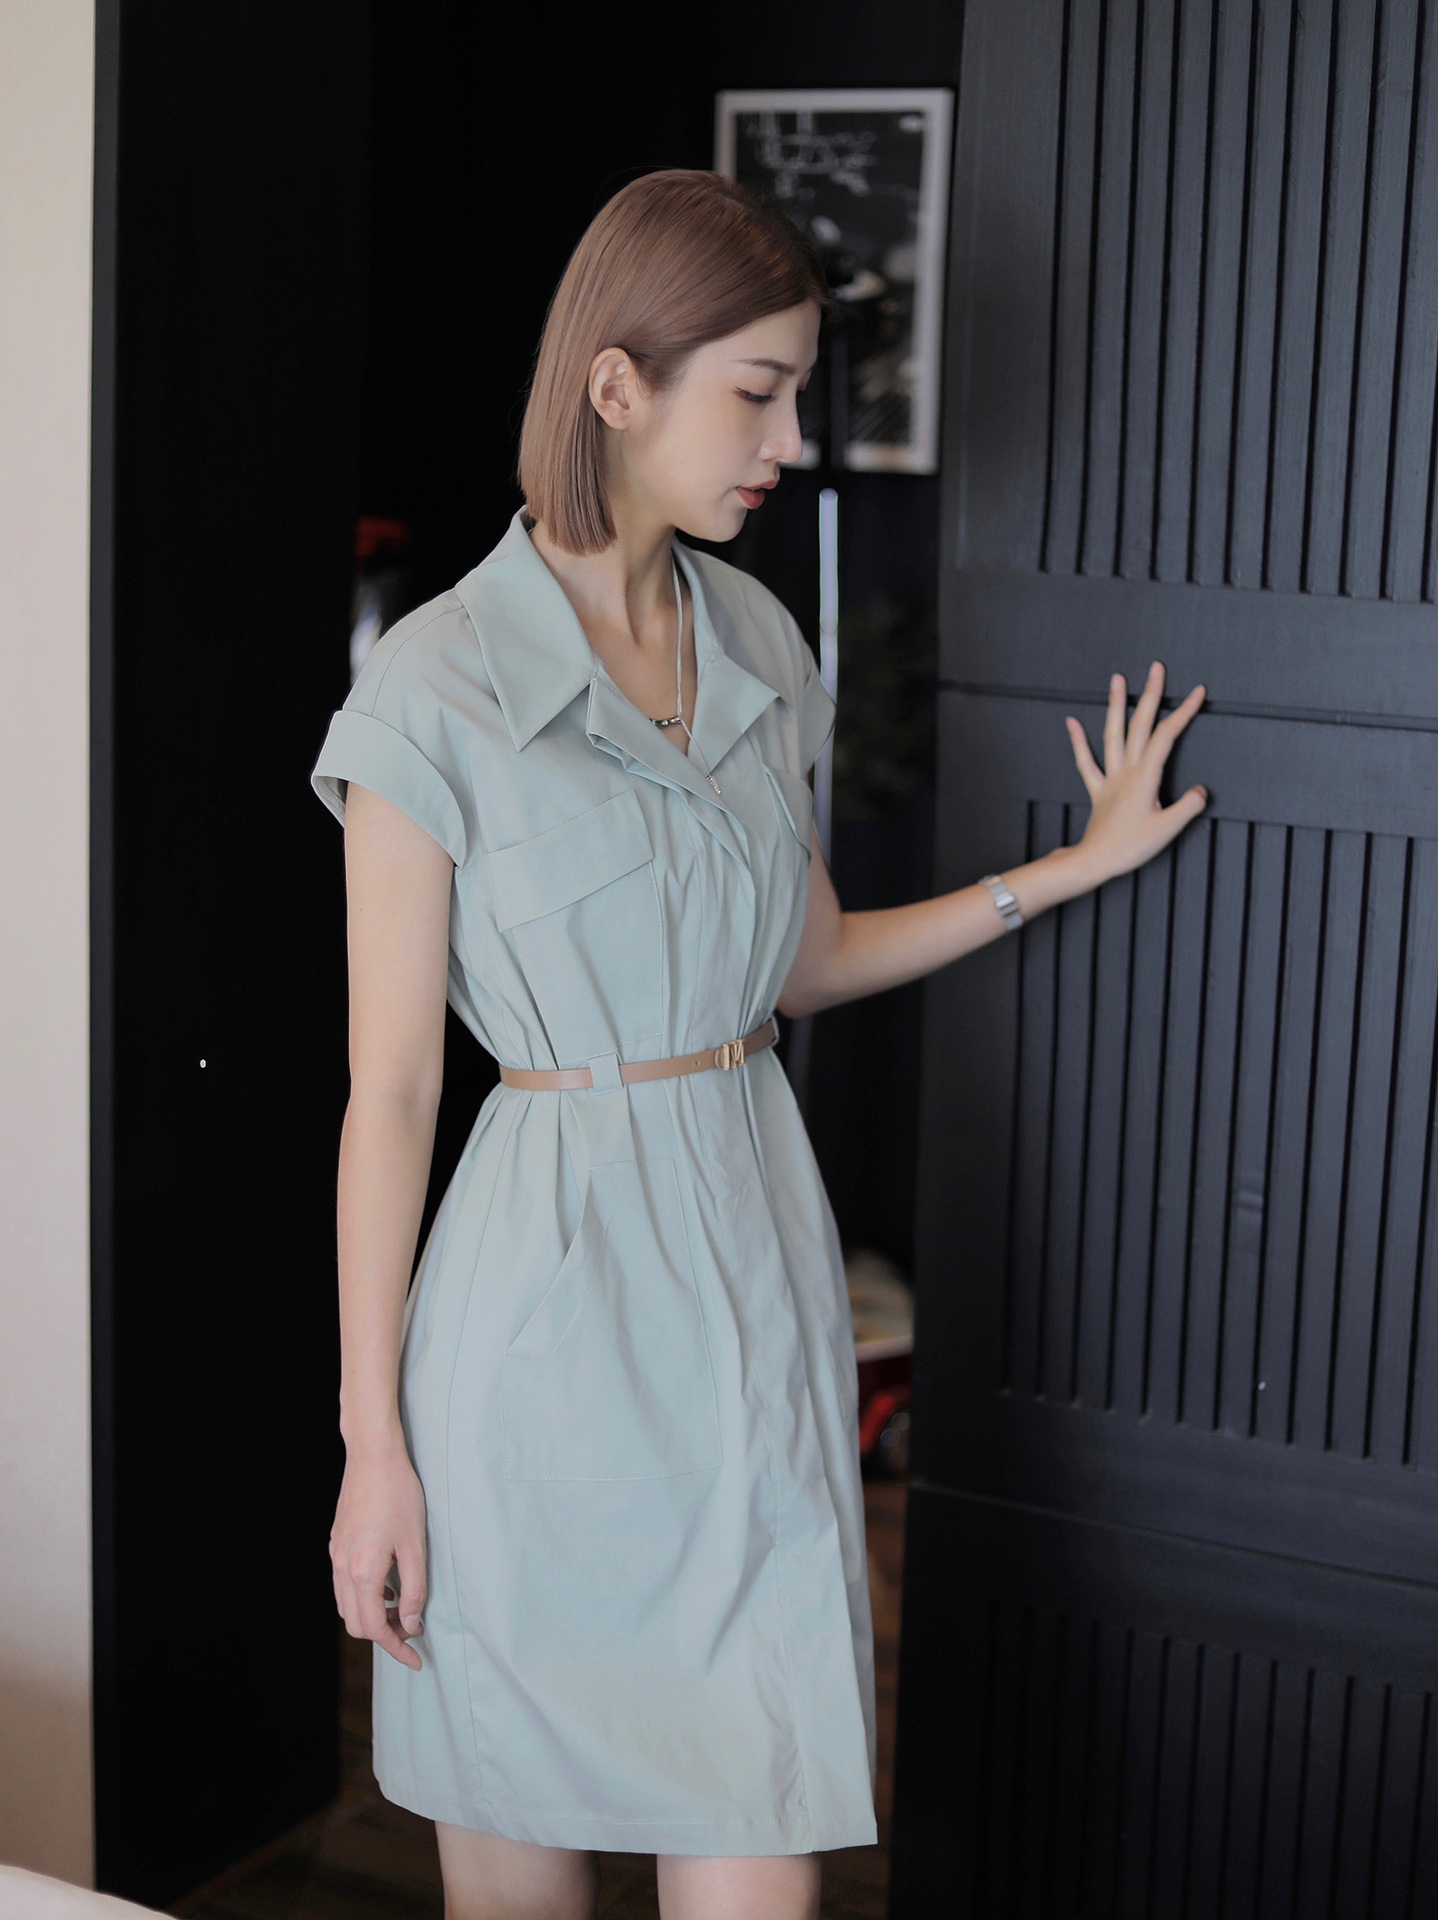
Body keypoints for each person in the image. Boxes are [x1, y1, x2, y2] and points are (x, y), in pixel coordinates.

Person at [310, 169, 1207, 1920]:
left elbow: (803, 962)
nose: (791, 440)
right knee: (519, 1888)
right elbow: (392, 1092)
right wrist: (372, 1448)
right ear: (616, 385)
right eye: (759, 392)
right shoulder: (434, 686)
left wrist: (1065, 871)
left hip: (746, 1288)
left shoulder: (762, 642)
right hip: (531, 1333)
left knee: (761, 1832)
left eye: (799, 393)